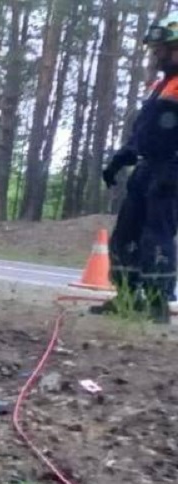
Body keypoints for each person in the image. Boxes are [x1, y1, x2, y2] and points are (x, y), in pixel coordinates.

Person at [98, 14, 178, 324]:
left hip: (171, 168)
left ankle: (158, 303)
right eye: (155, 49)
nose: (156, 55)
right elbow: (147, 129)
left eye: (162, 49)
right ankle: (127, 297)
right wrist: (124, 155)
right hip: (148, 167)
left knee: (156, 235)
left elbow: (167, 131)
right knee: (126, 233)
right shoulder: (163, 85)